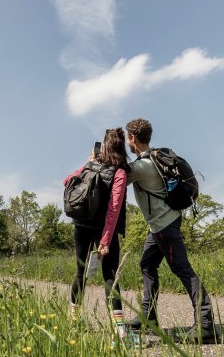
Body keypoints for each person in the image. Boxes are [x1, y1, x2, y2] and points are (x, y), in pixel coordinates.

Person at [125, 118, 215, 342]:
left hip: (164, 226)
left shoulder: (142, 167)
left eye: (127, 137)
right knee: (147, 264)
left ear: (133, 138)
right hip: (160, 224)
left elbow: (116, 177)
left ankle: (205, 326)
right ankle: (148, 317)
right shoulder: (152, 159)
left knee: (183, 270)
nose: (127, 141)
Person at [63, 127, 129, 339]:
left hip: (80, 225)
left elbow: (67, 182)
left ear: (104, 145)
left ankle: (74, 321)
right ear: (122, 146)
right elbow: (114, 209)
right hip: (102, 230)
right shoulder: (119, 173)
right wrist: (105, 240)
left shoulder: (92, 164)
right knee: (110, 276)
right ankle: (119, 331)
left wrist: (88, 163)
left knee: (80, 274)